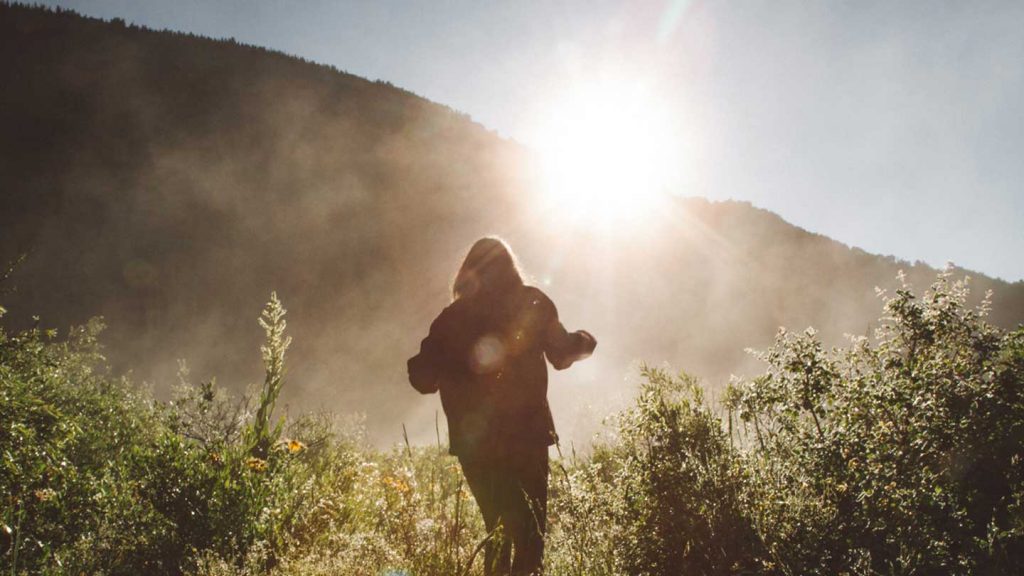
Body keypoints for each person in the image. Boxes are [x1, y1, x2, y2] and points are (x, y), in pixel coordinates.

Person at [408, 237, 596, 576]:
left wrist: (450, 367)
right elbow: (563, 353)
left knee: (496, 530)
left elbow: (422, 378)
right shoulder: (532, 303)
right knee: (530, 534)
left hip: (475, 444)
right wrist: (586, 342)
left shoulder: (451, 318)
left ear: (467, 271)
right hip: (527, 435)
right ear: (511, 267)